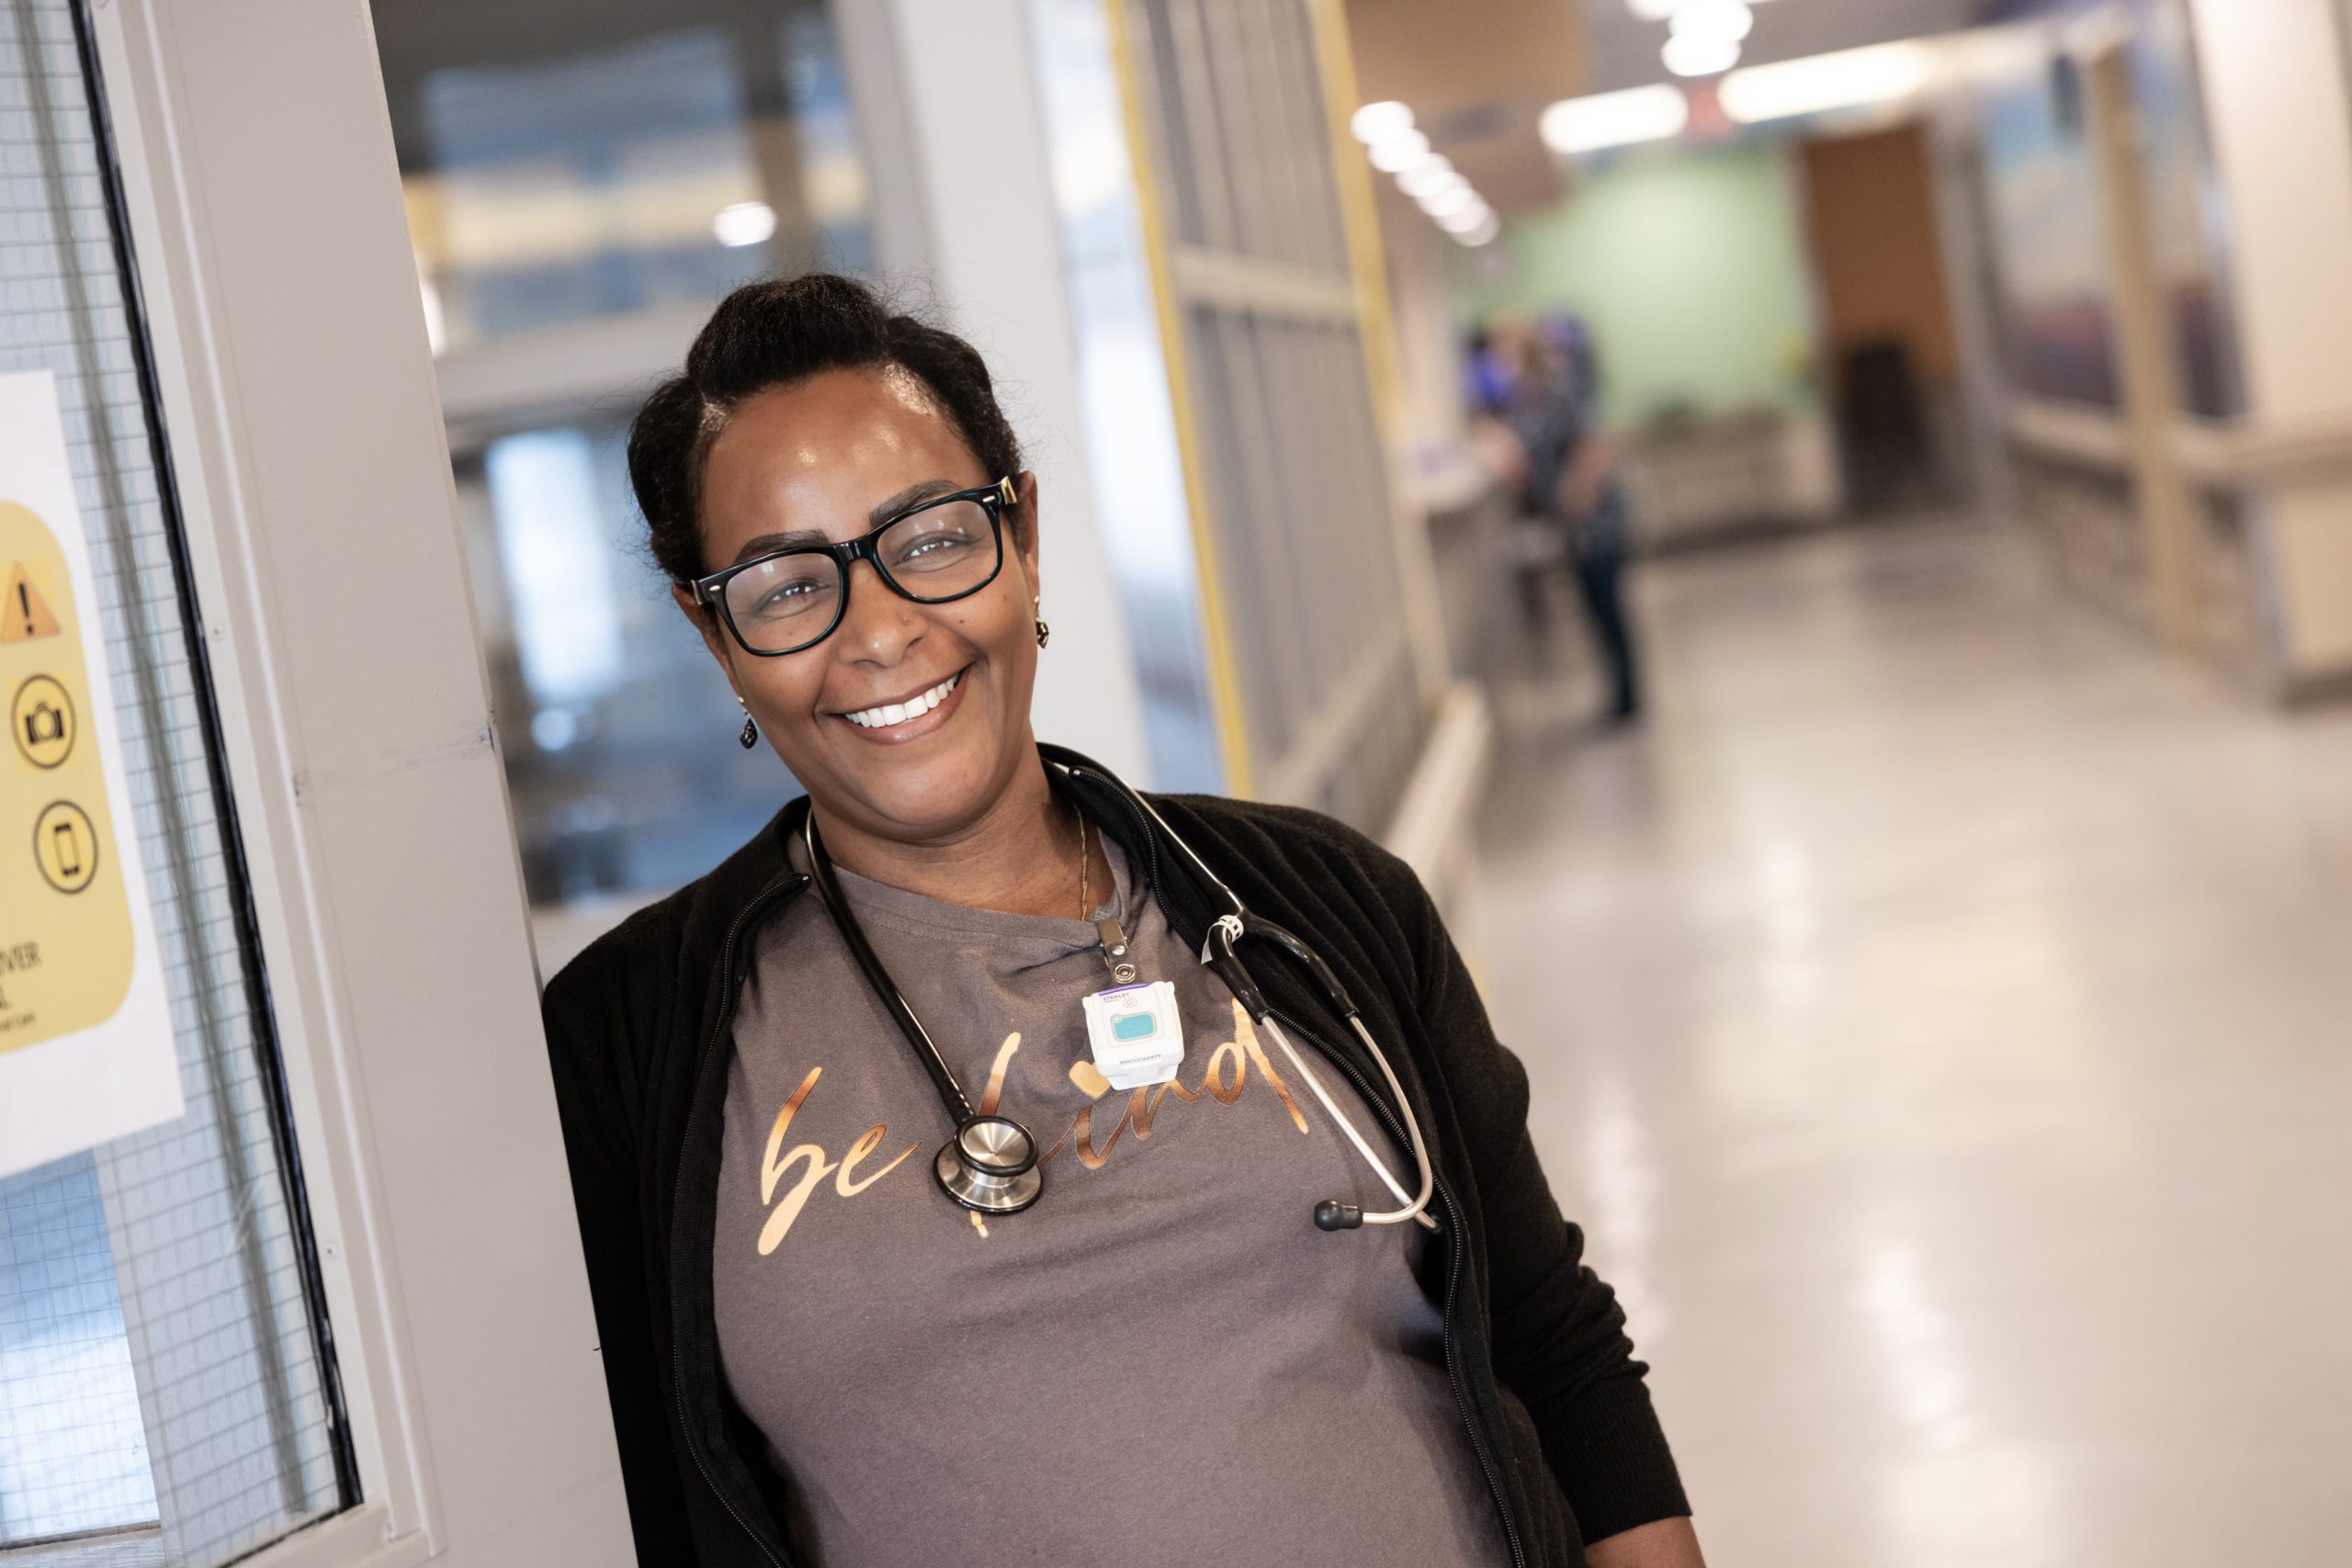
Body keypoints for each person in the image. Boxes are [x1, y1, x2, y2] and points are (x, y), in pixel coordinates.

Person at [540, 273, 1702, 1568]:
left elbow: (1553, 1335)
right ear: (717, 635)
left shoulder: (1322, 904)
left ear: (1022, 536)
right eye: (784, 584)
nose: (877, 631)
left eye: (927, 538)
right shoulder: (628, 1050)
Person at [1501, 316, 1641, 724]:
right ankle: (1618, 691)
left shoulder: (1560, 389)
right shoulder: (1525, 398)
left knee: (1608, 607)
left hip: (1594, 522)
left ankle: (1629, 695)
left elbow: (1592, 446)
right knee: (1593, 610)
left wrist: (1574, 498)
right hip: (1571, 526)